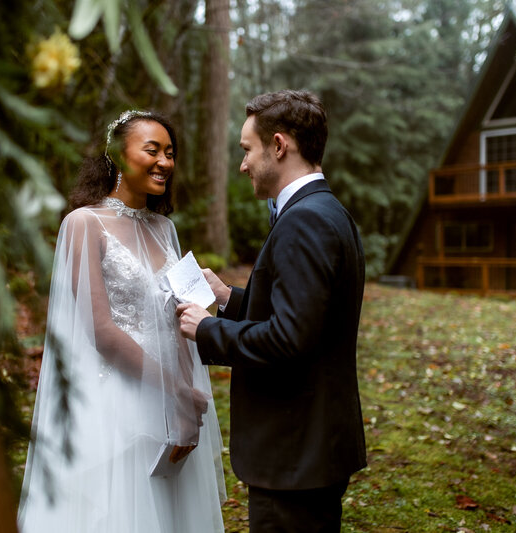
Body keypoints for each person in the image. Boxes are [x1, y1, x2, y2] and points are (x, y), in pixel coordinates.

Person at [18, 110, 225, 533]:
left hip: (172, 399)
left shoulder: (165, 229)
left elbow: (182, 320)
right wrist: (175, 388)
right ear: (116, 154)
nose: (165, 162)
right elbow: (102, 332)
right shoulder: (83, 224)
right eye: (152, 150)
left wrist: (185, 399)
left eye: (170, 152)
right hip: (112, 400)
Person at [177, 90, 367, 533]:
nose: (242, 164)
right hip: (310, 448)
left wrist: (207, 330)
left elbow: (289, 338)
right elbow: (310, 313)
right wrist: (229, 298)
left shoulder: (305, 220)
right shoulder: (326, 210)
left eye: (247, 150)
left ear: (279, 146)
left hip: (294, 453)